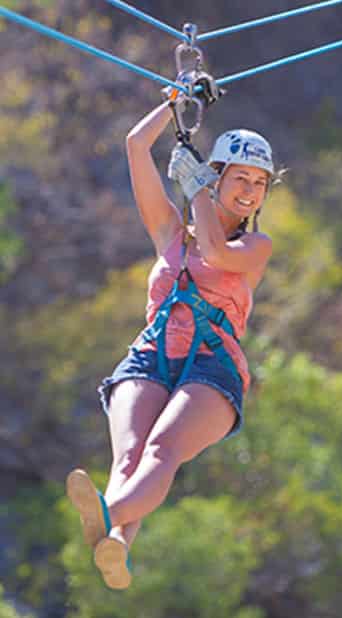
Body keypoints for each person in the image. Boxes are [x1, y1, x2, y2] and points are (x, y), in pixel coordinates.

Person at [65, 94, 276, 590]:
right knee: (130, 454)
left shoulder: (254, 247)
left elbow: (216, 251)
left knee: (162, 447)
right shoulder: (169, 232)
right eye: (240, 178)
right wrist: (175, 100)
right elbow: (136, 145)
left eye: (260, 183)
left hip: (212, 367)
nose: (249, 191)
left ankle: (107, 514)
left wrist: (199, 186)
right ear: (220, 174)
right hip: (152, 354)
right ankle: (117, 545)